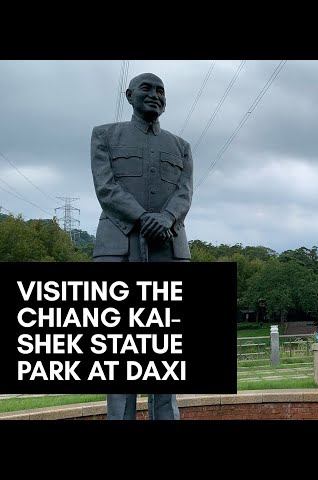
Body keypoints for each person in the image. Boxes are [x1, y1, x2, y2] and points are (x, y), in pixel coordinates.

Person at [91, 72, 193, 419]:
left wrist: (165, 218)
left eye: (161, 90)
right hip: (118, 248)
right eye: (147, 89)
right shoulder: (105, 135)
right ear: (129, 94)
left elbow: (185, 193)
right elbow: (105, 188)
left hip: (170, 247)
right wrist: (142, 218)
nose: (155, 95)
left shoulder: (181, 146)